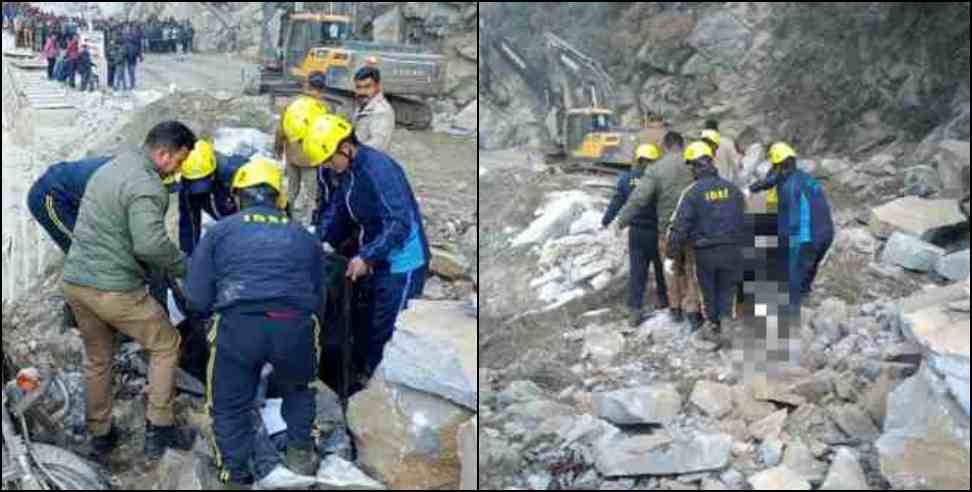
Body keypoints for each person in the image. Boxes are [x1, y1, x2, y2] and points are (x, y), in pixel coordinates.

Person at [186, 157, 324, 490]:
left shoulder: (220, 232)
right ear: (279, 199)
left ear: (236, 197)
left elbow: (196, 297)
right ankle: (301, 456)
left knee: (228, 404)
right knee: (298, 388)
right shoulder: (304, 237)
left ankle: (235, 476)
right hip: (294, 325)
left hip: (239, 327)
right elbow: (319, 298)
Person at [62, 121, 195, 460]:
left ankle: (100, 434)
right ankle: (159, 429)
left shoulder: (114, 166)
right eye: (178, 161)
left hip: (77, 283)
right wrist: (185, 266)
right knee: (166, 344)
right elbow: (150, 245)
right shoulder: (148, 186)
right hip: (113, 289)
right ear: (163, 153)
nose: (177, 170)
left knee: (98, 357)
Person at [304, 114, 430, 390]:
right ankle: (360, 375)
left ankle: (378, 391)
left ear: (345, 148)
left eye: (329, 159)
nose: (328, 167)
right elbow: (340, 211)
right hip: (375, 256)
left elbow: (399, 223)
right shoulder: (348, 173)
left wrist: (368, 256)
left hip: (401, 264)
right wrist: (318, 241)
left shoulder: (378, 170)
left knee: (387, 331)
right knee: (365, 323)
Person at [666, 142, 747, 348]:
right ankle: (726, 322)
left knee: (708, 292)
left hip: (706, 252)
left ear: (695, 167)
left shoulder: (692, 193)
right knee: (728, 290)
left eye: (691, 167)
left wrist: (671, 255)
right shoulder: (734, 190)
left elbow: (679, 227)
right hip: (733, 250)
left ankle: (714, 327)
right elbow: (746, 222)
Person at [618, 132, 703, 329]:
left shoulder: (656, 169)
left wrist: (622, 220)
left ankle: (675, 308)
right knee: (691, 269)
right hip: (692, 230)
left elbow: (639, 198)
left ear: (665, 147)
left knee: (671, 268)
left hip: (668, 230)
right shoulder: (693, 165)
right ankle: (693, 310)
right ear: (682, 145)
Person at [748, 142, 835, 309]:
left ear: (778, 165)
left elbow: (792, 221)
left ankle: (790, 314)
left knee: (793, 274)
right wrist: (755, 187)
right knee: (807, 270)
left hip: (807, 237)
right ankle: (804, 297)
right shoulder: (804, 177)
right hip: (826, 234)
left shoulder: (788, 187)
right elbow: (773, 180)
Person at [603, 143, 669, 327]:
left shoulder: (626, 179)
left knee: (638, 272)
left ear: (638, 159)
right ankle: (665, 301)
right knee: (661, 269)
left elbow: (617, 201)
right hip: (657, 231)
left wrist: (606, 220)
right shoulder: (659, 179)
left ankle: (635, 310)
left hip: (637, 233)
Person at [274, 73, 330, 227]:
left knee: (292, 189)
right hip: (313, 158)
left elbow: (281, 129)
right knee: (312, 194)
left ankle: (288, 218)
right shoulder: (325, 107)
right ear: (323, 87)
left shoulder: (292, 103)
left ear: (307, 85)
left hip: (292, 154)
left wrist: (278, 149)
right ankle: (310, 223)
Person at [177, 140, 248, 255]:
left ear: (213, 173)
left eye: (202, 181)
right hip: (227, 221)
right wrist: (190, 258)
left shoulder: (237, 175)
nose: (199, 191)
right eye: (194, 182)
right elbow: (189, 225)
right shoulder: (187, 188)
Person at [352, 66, 395, 152]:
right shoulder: (364, 104)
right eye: (358, 87)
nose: (362, 92)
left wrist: (351, 152)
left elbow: (377, 146)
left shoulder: (381, 112)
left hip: (368, 162)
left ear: (377, 86)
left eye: (367, 87)